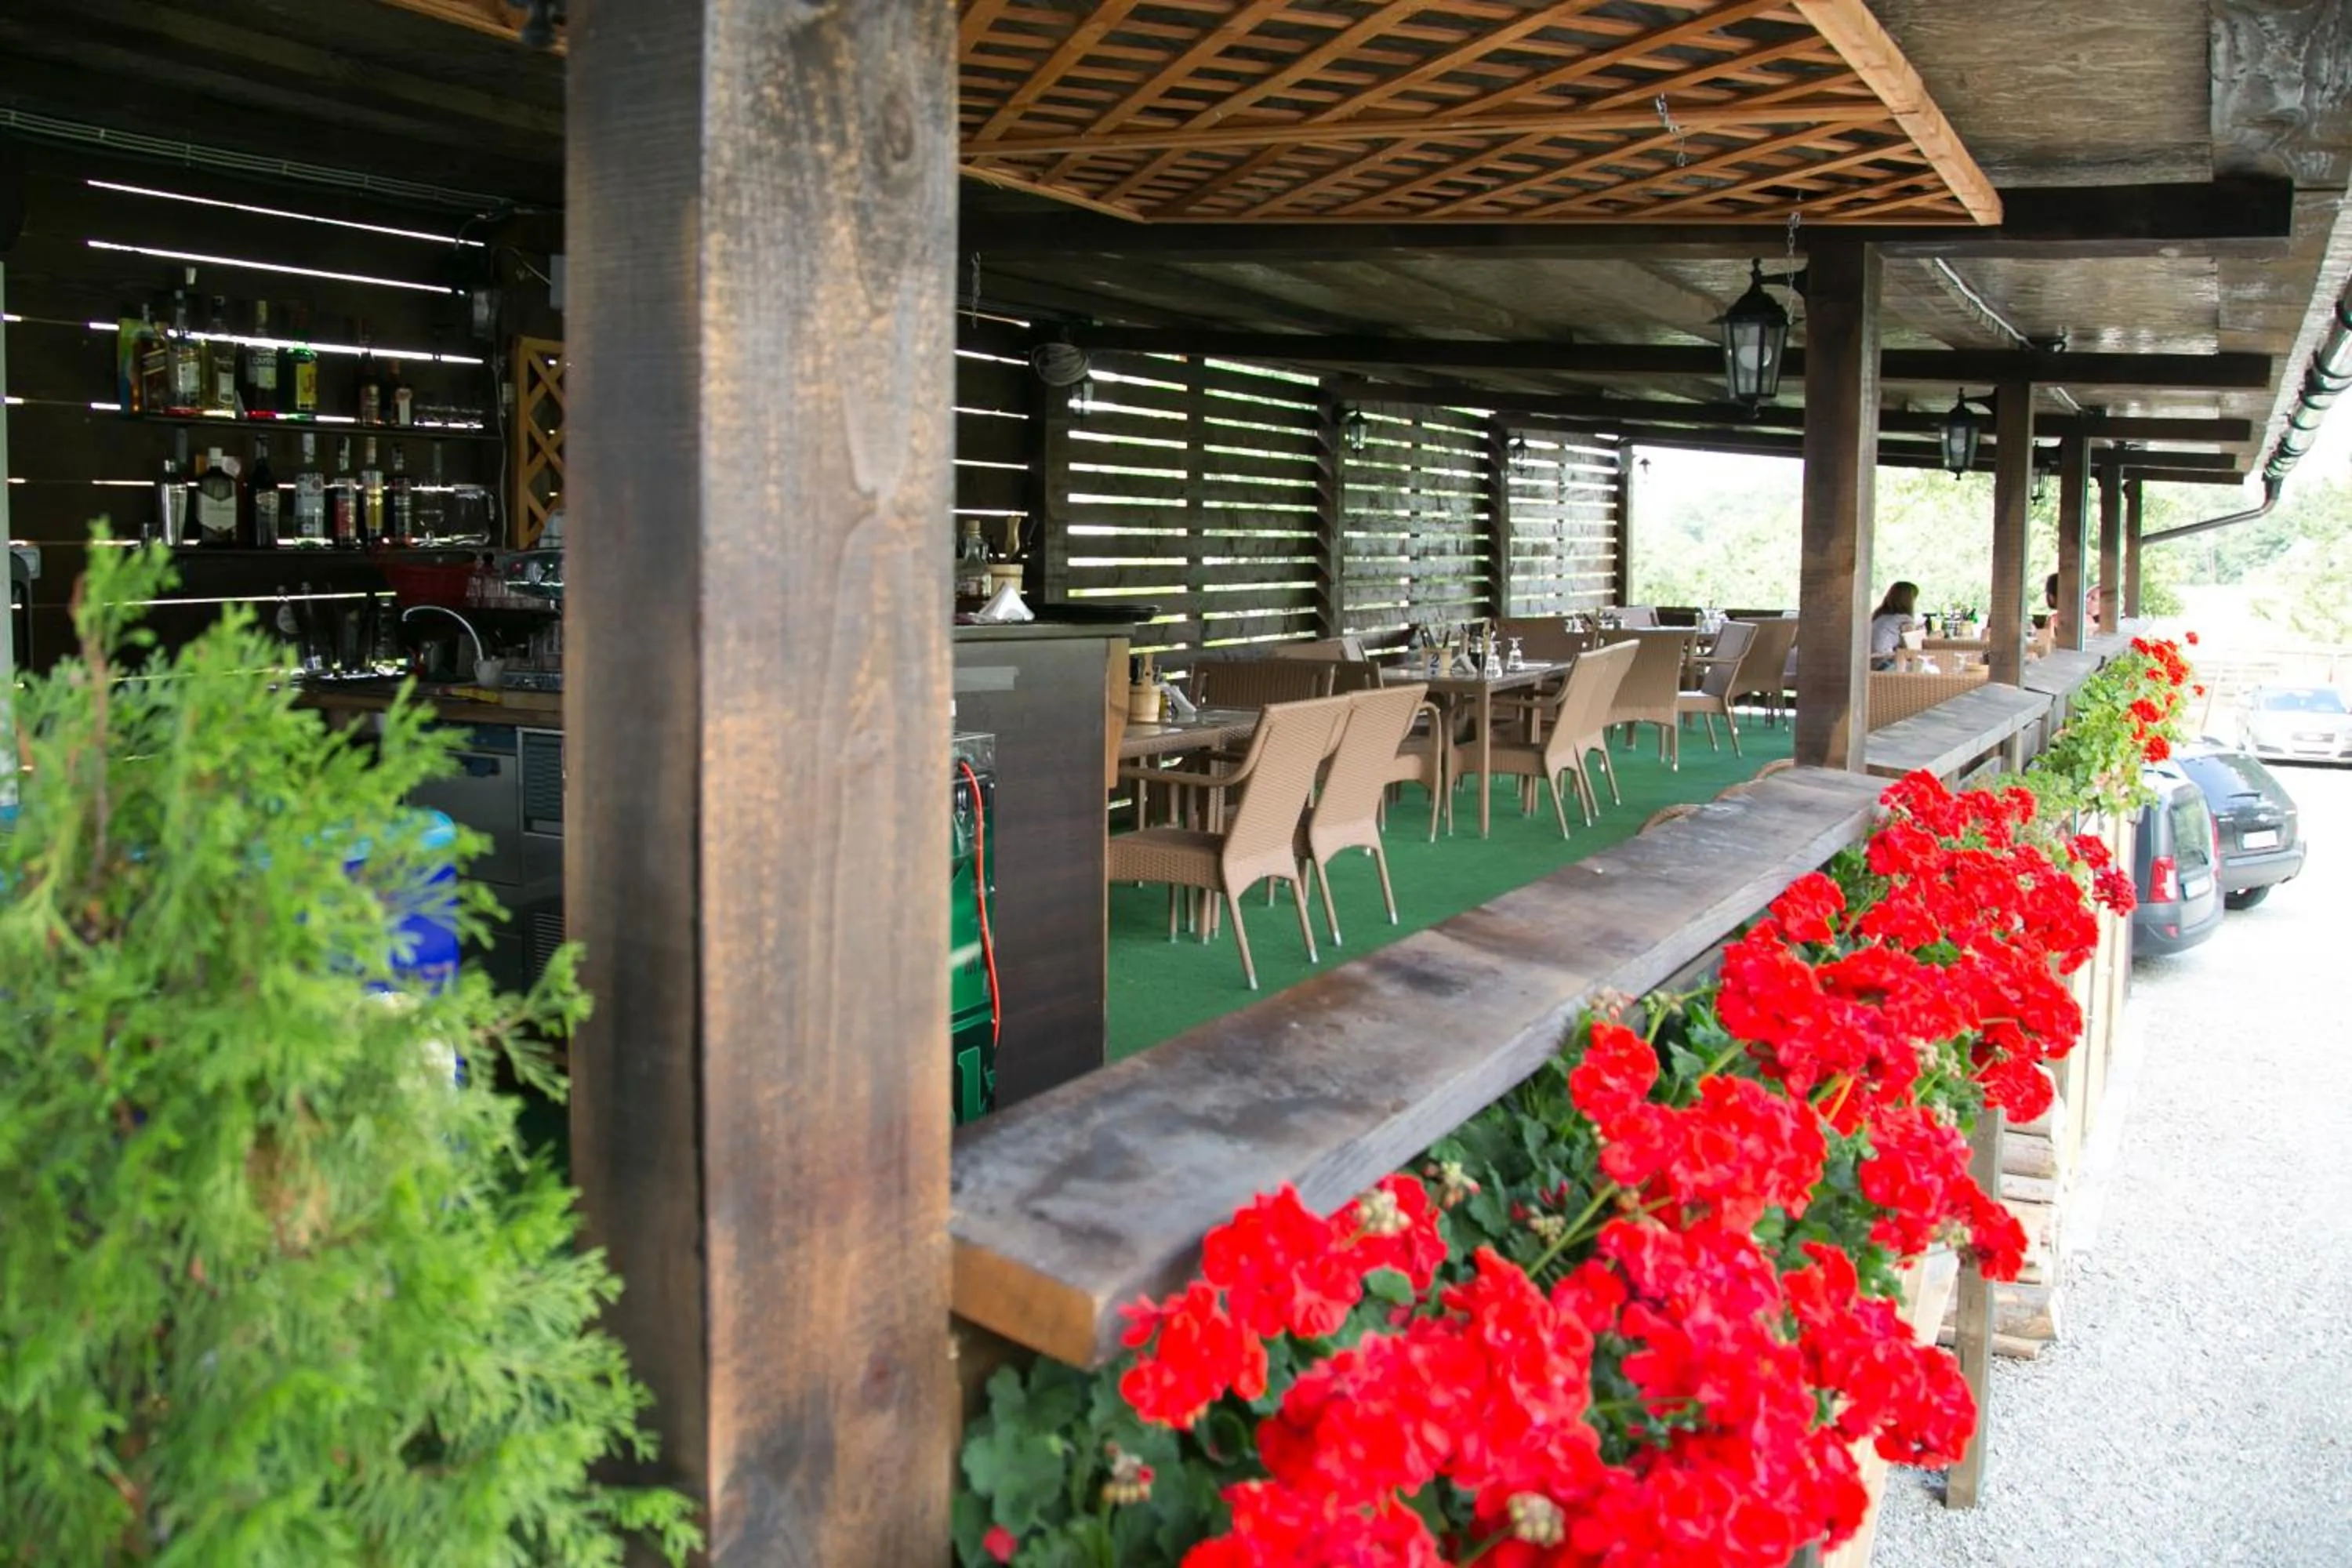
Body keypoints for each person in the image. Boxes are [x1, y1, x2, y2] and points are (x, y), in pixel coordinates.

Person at [1867, 581, 1919, 671]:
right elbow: (1913, 649)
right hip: (1885, 664)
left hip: (1869, 664)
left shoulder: (1879, 616)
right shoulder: (1905, 619)